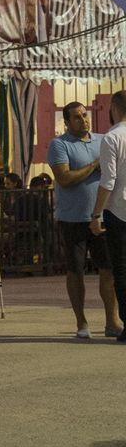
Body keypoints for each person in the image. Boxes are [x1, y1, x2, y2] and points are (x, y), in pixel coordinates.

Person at [47, 101, 121, 339]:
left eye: (85, 115)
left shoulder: (104, 140)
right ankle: (81, 321)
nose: (83, 120)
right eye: (77, 117)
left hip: (101, 216)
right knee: (75, 270)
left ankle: (112, 320)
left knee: (108, 269)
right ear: (67, 122)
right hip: (73, 218)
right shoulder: (59, 145)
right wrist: (94, 165)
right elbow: (65, 177)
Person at [89, 90, 126, 342]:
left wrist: (96, 213)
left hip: (118, 210)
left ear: (114, 108)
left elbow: (108, 180)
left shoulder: (111, 138)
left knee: (121, 270)